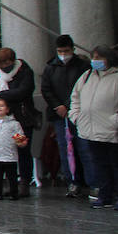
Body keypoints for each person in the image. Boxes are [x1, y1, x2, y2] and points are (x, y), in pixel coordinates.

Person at [69, 45, 118, 210]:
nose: (95, 61)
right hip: (90, 129)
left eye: (99, 58)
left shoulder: (117, 77)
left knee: (116, 165)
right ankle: (105, 196)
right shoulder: (86, 76)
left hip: (112, 130)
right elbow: (75, 97)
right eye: (94, 58)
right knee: (99, 164)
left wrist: (116, 121)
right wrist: (76, 116)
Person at [43, 35, 91, 196]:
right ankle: (72, 181)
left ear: (73, 50)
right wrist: (58, 106)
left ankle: (92, 182)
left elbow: (86, 88)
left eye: (66, 51)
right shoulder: (50, 67)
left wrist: (70, 107)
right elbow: (46, 89)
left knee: (85, 149)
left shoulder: (83, 66)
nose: (63, 54)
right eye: (60, 51)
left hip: (79, 113)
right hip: (59, 115)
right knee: (65, 149)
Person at [0, 47, 40, 196]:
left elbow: (23, 91)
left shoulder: (24, 72)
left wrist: (1, 95)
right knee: (7, 152)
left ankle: (25, 181)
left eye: (6, 63)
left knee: (23, 149)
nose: (4, 67)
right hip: (3, 121)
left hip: (22, 120)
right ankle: (12, 183)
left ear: (12, 61)